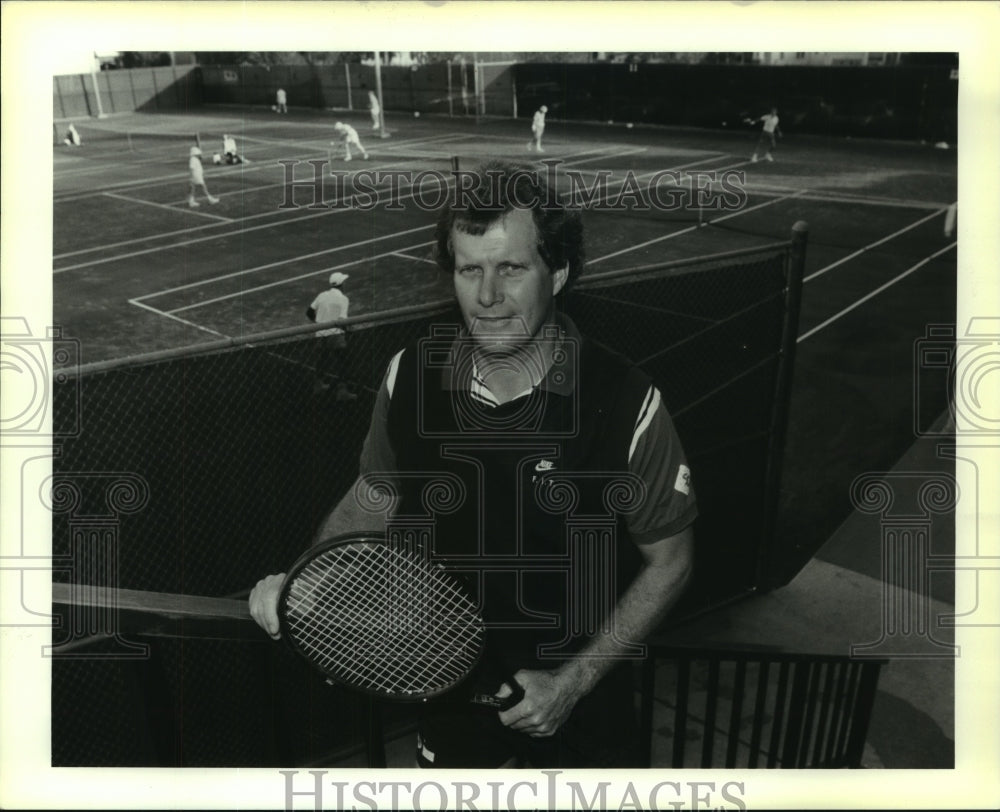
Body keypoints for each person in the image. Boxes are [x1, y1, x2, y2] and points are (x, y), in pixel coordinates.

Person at [249, 160, 696, 769]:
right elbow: (376, 494)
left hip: (583, 700)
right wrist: (307, 584)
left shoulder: (626, 403)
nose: (486, 296)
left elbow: (670, 562)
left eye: (511, 268)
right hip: (449, 688)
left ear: (558, 273)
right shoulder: (409, 375)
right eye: (469, 269)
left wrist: (572, 683)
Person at [306, 272, 355, 399]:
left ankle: (318, 385)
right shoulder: (344, 299)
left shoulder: (322, 295)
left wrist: (319, 323)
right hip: (335, 335)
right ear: (341, 284)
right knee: (342, 362)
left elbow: (309, 312)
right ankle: (342, 391)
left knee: (322, 360)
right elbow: (342, 320)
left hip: (320, 333)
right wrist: (348, 330)